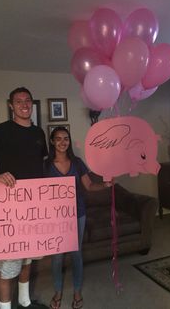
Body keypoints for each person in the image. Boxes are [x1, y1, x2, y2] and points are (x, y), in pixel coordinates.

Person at [0, 87, 49, 309]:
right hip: (9, 207)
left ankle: (24, 301)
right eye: (19, 101)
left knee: (28, 258)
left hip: (34, 206)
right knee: (7, 265)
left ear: (32, 104)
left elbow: (40, 166)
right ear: (11, 105)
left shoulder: (38, 133)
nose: (24, 104)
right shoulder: (0, 131)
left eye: (27, 100)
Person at [44, 126, 113, 309]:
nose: (62, 142)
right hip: (55, 218)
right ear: (52, 141)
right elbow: (39, 193)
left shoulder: (78, 162)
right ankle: (58, 292)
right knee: (57, 257)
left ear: (69, 141)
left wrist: (105, 186)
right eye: (58, 138)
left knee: (76, 254)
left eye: (65, 138)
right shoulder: (45, 165)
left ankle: (76, 291)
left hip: (78, 214)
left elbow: (89, 186)